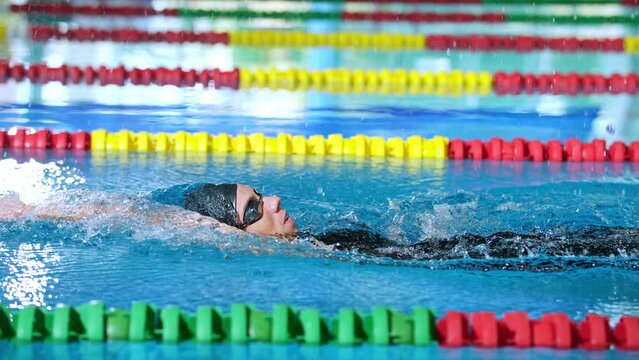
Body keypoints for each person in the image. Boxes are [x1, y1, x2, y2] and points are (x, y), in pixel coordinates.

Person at [1, 183, 638, 263]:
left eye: (261, 194)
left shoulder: (317, 236)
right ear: (233, 236)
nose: (275, 202)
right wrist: (38, 211)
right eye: (257, 211)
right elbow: (139, 219)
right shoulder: (286, 256)